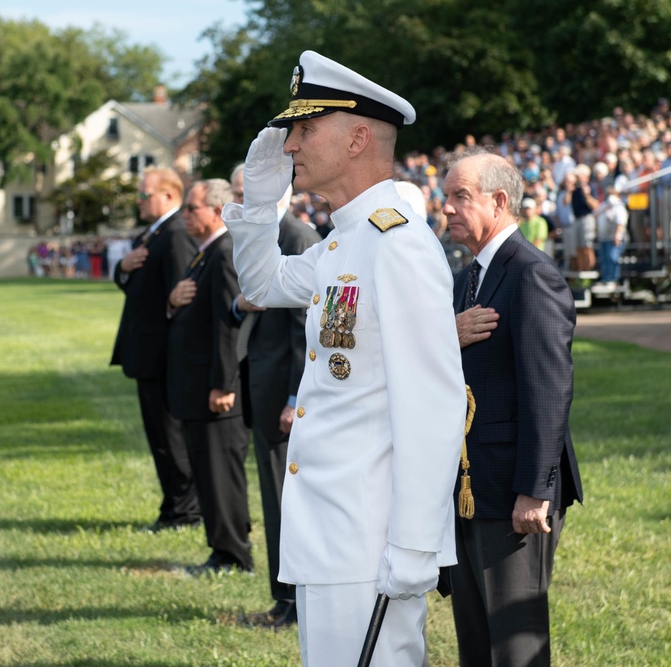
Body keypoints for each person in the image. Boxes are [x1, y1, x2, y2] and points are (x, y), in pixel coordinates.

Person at [222, 51, 465, 665]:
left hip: (370, 542)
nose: (292, 143)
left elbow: (432, 405)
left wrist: (414, 546)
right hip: (332, 533)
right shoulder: (348, 240)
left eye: (306, 129)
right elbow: (261, 284)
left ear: (358, 138)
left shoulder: (397, 243)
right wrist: (259, 204)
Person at [446, 147, 583, 667]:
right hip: (469, 483)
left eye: (461, 196)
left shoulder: (531, 275)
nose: (449, 209)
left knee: (514, 642)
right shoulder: (467, 278)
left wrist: (534, 490)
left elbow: (548, 392)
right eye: (446, 198)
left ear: (499, 201)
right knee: (476, 639)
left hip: (511, 491)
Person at [231, 164, 321, 627]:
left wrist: (293, 396)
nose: (240, 199)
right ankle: (283, 600)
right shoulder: (265, 232)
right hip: (264, 389)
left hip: (285, 398)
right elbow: (247, 303)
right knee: (274, 500)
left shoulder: (296, 236)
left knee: (287, 504)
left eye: (246, 191)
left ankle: (292, 603)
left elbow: (304, 335)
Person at [166, 179, 253, 575]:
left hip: (214, 389)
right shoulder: (205, 253)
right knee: (208, 472)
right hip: (198, 385)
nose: (185, 215)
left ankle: (233, 555)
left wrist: (224, 383)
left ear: (217, 212)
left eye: (192, 208)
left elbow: (228, 325)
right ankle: (221, 549)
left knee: (221, 476)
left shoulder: (224, 252)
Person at [110, 168, 202, 533]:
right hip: (148, 351)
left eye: (143, 194)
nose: (138, 201)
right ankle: (173, 506)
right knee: (159, 437)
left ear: (167, 195)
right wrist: (122, 267)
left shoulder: (177, 233)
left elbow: (181, 298)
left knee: (171, 437)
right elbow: (139, 286)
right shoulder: (155, 233)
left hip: (164, 355)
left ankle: (185, 511)